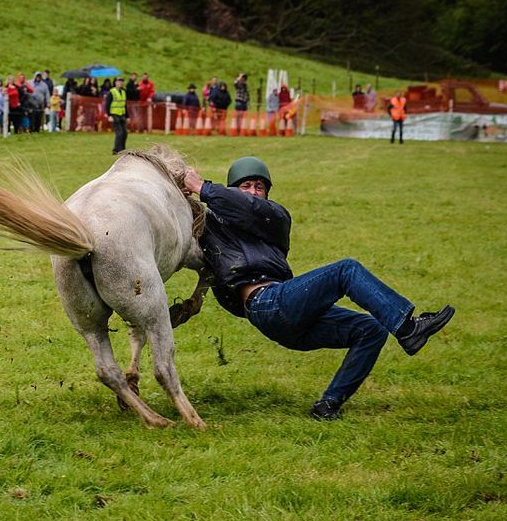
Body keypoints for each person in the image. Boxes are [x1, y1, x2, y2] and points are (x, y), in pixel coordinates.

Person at [182, 157, 454, 420]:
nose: (254, 192)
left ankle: (329, 404)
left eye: (259, 186)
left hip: (283, 306)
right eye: (246, 186)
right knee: (346, 270)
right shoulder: (213, 223)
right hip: (265, 305)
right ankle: (408, 329)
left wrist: (203, 186)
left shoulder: (275, 217)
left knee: (370, 330)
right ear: (231, 189)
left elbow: (248, 208)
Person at [105, 76, 128, 154]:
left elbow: (124, 105)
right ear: (116, 83)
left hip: (122, 114)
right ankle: (116, 150)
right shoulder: (111, 92)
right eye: (119, 81)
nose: (120, 83)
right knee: (119, 133)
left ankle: (122, 149)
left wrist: (128, 116)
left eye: (121, 81)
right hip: (114, 114)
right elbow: (107, 104)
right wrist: (109, 115)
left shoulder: (124, 92)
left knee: (125, 133)